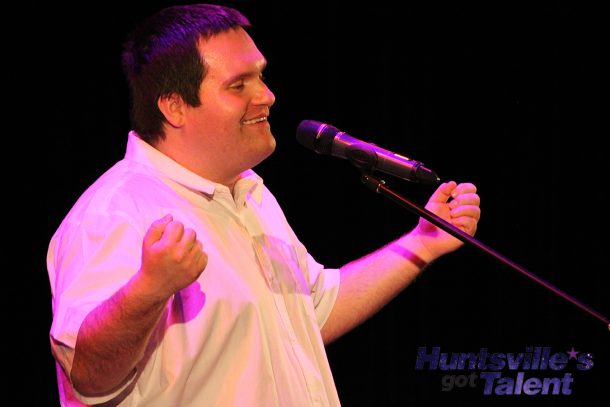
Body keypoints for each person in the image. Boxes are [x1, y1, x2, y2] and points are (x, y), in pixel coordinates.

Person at [46, 4, 481, 406]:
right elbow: (89, 379)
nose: (267, 95)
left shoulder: (249, 192)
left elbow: (310, 316)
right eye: (239, 85)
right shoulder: (114, 213)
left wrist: (423, 243)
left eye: (260, 76)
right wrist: (149, 288)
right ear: (174, 106)